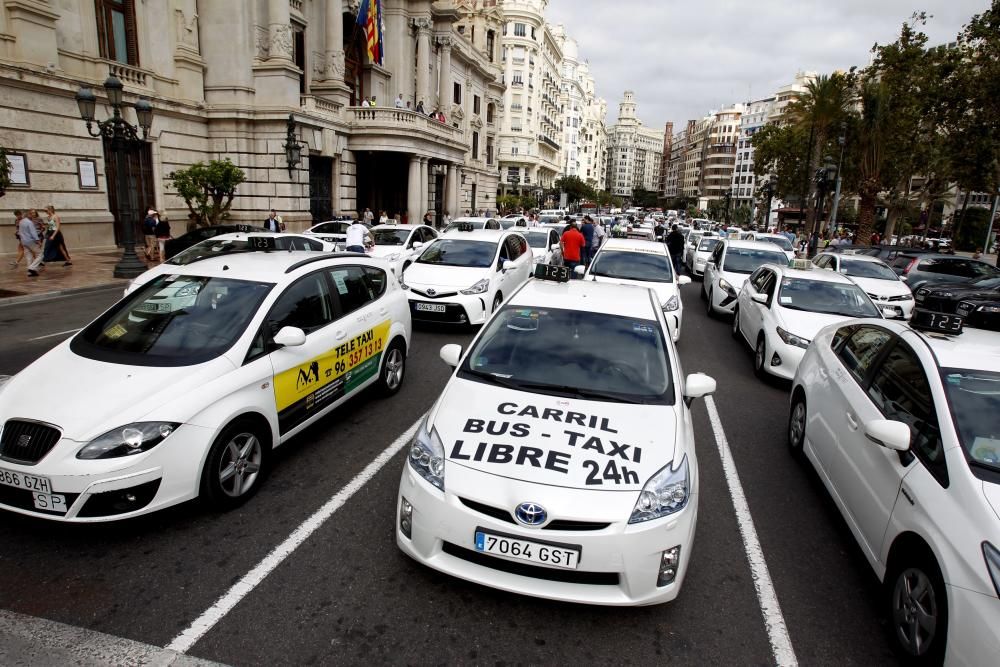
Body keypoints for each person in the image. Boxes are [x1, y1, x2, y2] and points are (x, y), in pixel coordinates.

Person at [18, 209, 43, 277]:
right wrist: (38, 241)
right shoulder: (29, 222)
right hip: (30, 241)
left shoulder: (21, 222)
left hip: (24, 241)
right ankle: (32, 268)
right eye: (31, 214)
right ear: (28, 215)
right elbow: (33, 233)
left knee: (29, 256)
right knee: (40, 254)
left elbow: (19, 232)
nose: (32, 215)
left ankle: (30, 272)